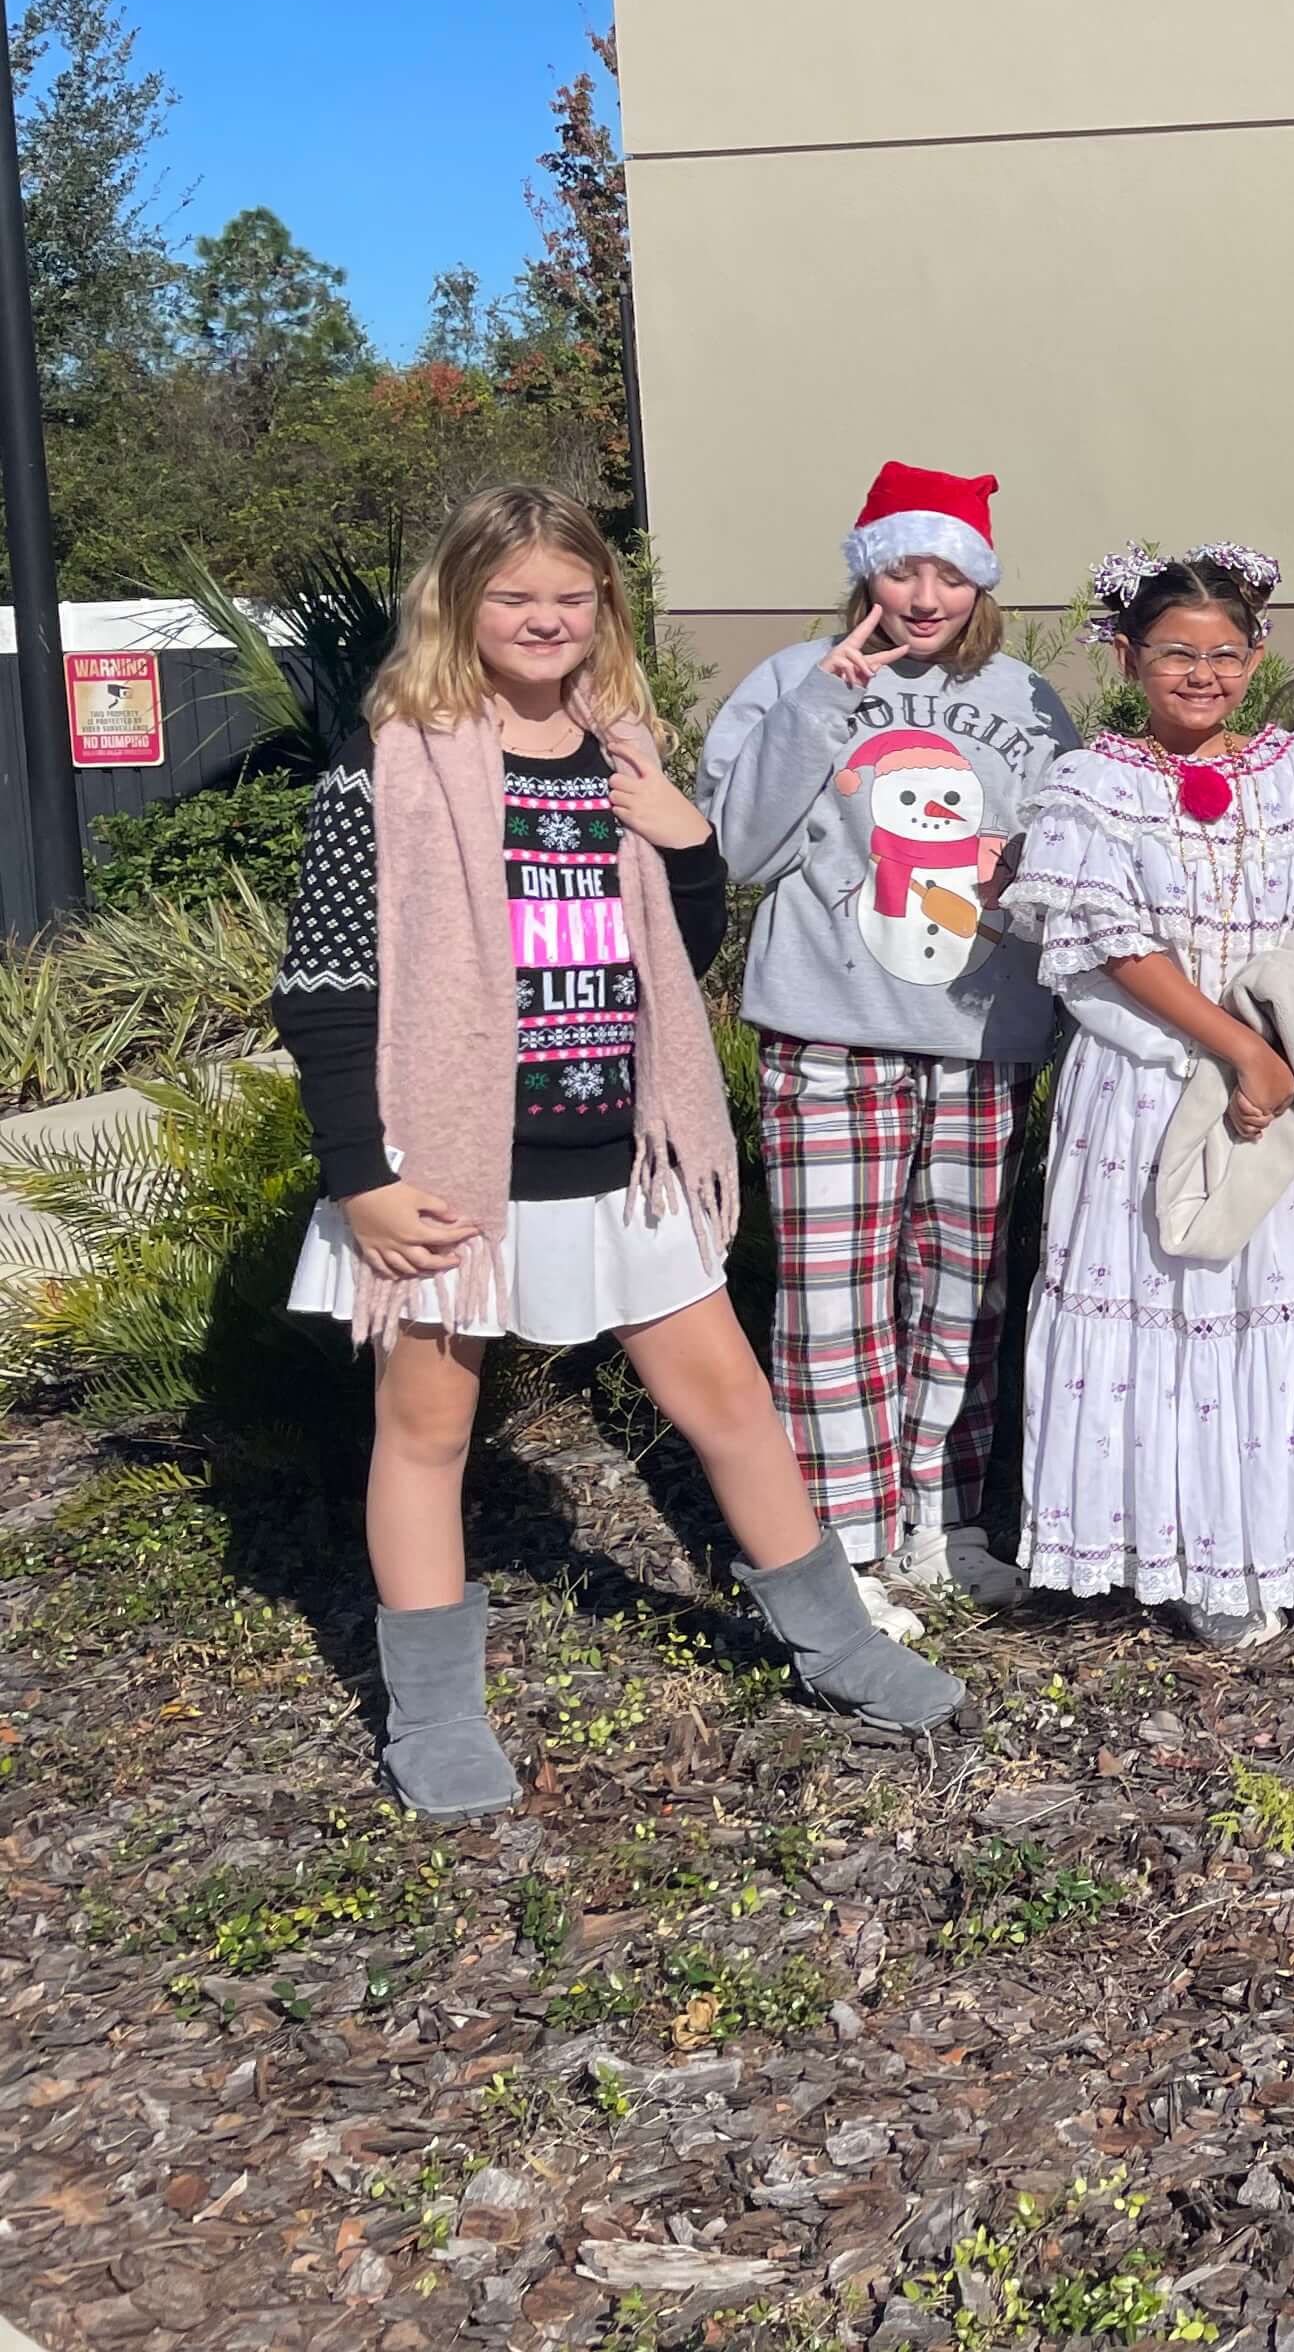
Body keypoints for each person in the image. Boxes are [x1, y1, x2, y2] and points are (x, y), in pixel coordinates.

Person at [271, 484, 961, 1817]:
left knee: (730, 1402)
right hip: (452, 1165)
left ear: (603, 609)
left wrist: (688, 843)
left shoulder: (620, 752)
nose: (545, 619)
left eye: (571, 596)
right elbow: (327, 985)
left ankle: (837, 1646)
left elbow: (674, 962)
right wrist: (363, 1175)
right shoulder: (388, 763)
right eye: (514, 595)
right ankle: (434, 1713)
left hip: (627, 1152)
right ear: (460, 603)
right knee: (426, 1429)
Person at [996, 544, 1294, 1649]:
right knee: (1167, 1299)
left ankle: (1285, 1540)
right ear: (1127, 656)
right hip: (1147, 1078)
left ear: (1256, 656)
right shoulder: (1092, 786)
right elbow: (1114, 945)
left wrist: (1278, 1050)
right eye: (1177, 653)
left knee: (1274, 1295)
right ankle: (1185, 1557)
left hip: (1277, 1068)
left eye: (1225, 654)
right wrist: (1233, 1051)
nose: (1203, 675)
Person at [694, 463, 1083, 1633]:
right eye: (902, 570)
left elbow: (1063, 868)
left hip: (980, 1037)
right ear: (867, 571)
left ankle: (942, 1526)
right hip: (829, 1032)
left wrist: (1030, 883)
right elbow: (737, 849)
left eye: (947, 574)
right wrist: (822, 702)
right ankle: (839, 1546)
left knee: (963, 1289)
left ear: (980, 583)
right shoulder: (792, 679)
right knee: (832, 1296)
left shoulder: (1027, 699)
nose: (923, 596)